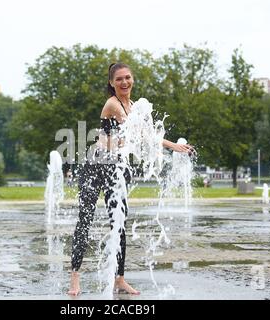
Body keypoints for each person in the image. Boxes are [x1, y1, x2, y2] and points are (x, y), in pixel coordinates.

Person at [68, 62, 195, 296]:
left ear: (132, 79)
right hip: (95, 167)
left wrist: (171, 147)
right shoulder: (113, 104)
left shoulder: (134, 106)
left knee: (119, 223)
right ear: (111, 83)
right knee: (84, 221)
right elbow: (143, 135)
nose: (124, 82)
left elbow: (149, 135)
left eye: (127, 78)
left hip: (117, 168)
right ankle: (74, 278)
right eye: (119, 79)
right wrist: (174, 147)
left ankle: (119, 279)